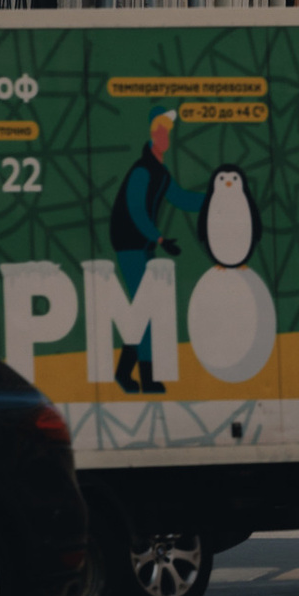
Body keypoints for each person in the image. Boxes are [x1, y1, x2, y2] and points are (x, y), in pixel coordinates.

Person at [105, 108, 201, 394]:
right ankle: (144, 377)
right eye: (161, 130)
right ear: (152, 132)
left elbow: (181, 198)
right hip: (130, 244)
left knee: (143, 311)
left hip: (143, 245)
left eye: (168, 130)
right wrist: (159, 239)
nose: (166, 135)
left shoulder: (159, 171)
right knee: (144, 311)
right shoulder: (142, 170)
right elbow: (135, 209)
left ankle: (125, 373)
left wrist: (217, 198)